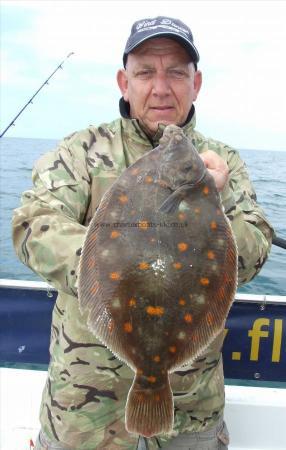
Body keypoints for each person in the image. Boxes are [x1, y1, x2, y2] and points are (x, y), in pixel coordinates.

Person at [12, 16, 273, 450]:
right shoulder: (82, 151)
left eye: (176, 72)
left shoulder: (223, 161)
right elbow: (31, 224)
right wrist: (120, 262)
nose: (161, 87)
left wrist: (214, 202)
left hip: (190, 412)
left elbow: (257, 242)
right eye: (145, 72)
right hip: (84, 413)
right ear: (124, 81)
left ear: (197, 82)